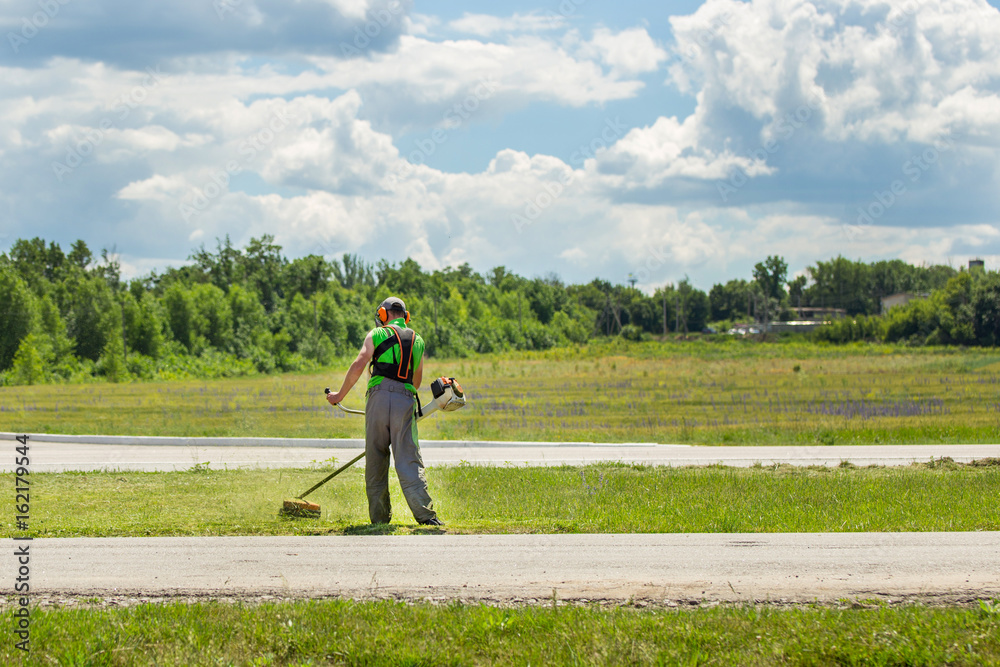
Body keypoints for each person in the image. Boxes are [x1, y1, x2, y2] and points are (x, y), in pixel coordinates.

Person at [325, 296, 443, 526]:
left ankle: (379, 519)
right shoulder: (418, 340)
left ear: (382, 314)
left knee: (376, 459)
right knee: (408, 459)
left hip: (377, 398)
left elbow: (359, 363)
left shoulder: (376, 334)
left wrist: (339, 396)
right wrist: (402, 397)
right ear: (405, 316)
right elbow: (416, 380)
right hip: (405, 399)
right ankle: (426, 516)